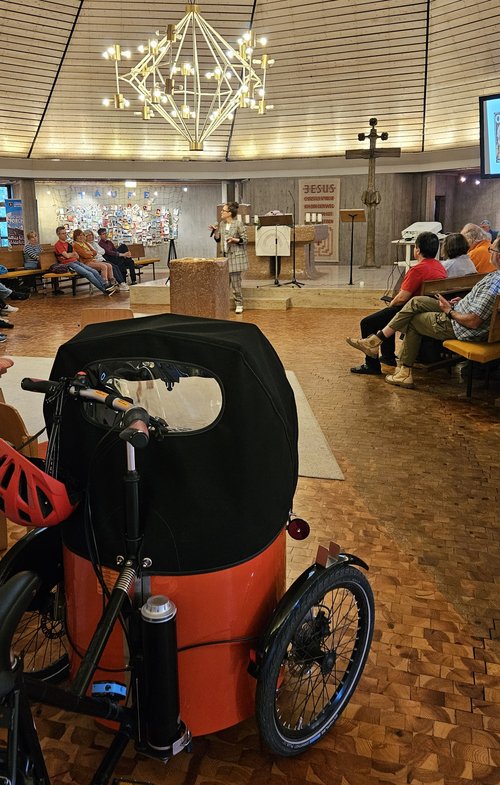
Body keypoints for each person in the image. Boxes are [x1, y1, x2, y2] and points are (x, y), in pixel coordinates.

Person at [350, 236, 500, 389]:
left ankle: (403, 371)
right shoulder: (491, 275)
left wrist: (449, 311)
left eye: (491, 249)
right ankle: (376, 341)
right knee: (416, 302)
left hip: (459, 325)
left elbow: (474, 321)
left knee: (412, 319)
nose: (489, 251)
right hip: (459, 310)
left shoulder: (495, 282)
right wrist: (460, 302)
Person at [346, 232, 446, 374]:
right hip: (428, 310)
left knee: (368, 322)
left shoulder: (417, 269)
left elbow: (402, 298)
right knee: (386, 317)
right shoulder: (439, 266)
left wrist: (391, 303)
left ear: (417, 250)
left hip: (411, 312)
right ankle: (388, 357)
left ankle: (372, 366)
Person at [209, 202, 248, 314]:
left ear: (230, 213)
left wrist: (235, 240)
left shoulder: (238, 224)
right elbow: (218, 240)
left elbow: (245, 240)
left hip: (235, 258)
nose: (221, 212)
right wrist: (215, 231)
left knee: (236, 284)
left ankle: (239, 304)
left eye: (223, 211)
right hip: (224, 258)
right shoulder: (221, 224)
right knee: (223, 284)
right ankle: (223, 304)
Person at [54, 227, 116, 295]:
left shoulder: (68, 244)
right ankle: (105, 290)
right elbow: (67, 256)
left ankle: (106, 286)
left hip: (76, 261)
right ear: (58, 234)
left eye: (65, 233)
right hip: (69, 263)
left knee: (94, 271)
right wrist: (71, 254)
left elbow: (77, 256)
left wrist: (70, 255)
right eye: (63, 233)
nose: (65, 235)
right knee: (88, 273)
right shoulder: (58, 244)